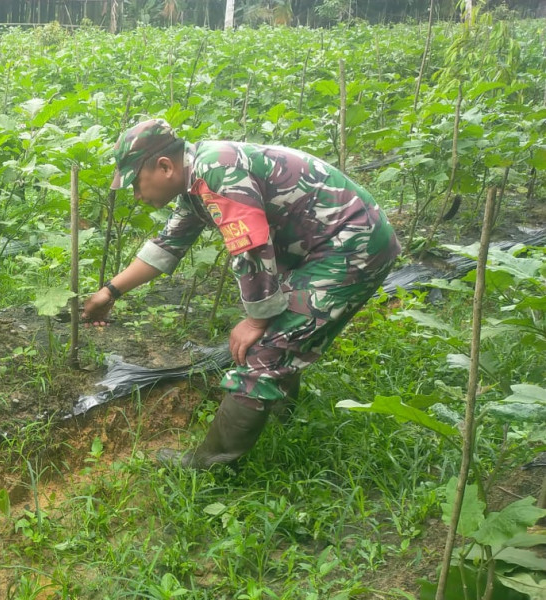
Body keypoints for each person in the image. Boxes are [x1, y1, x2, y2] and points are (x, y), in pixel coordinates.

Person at [82, 119, 401, 470]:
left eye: (135, 183)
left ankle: (210, 466)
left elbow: (251, 246)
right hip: (327, 246)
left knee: (264, 349)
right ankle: (281, 417)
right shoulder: (195, 182)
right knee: (278, 333)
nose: (136, 195)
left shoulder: (217, 171)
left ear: (164, 166)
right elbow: (167, 246)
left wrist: (255, 320)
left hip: (351, 246)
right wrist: (109, 292)